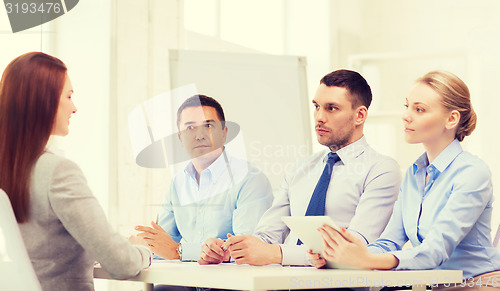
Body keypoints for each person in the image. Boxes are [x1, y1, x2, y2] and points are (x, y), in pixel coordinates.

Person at [311, 70, 500, 290]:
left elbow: (435, 251)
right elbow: (390, 242)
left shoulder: (472, 173)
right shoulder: (414, 173)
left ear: (451, 119)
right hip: (432, 283)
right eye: (407, 106)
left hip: (477, 283)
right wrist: (342, 256)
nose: (406, 116)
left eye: (419, 109)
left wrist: (367, 260)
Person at [199, 69, 401, 269]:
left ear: (359, 115)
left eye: (331, 108)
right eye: (316, 106)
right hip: (286, 283)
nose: (319, 117)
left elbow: (355, 248)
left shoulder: (381, 170)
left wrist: (277, 254)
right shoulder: (301, 168)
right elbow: (268, 235)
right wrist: (232, 250)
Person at [0, 52, 151, 291]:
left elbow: (49, 247)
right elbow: (122, 264)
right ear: (44, 101)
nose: (74, 108)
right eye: (69, 96)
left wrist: (115, 245)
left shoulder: (9, 170)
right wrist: (142, 249)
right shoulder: (57, 171)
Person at [135, 95, 273, 263]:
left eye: (208, 125)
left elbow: (246, 249)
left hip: (233, 283)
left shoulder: (250, 179)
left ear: (224, 133)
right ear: (180, 138)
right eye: (190, 128)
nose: (199, 136)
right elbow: (163, 246)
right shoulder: (177, 184)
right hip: (190, 279)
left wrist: (179, 251)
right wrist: (138, 246)